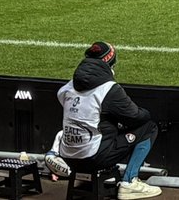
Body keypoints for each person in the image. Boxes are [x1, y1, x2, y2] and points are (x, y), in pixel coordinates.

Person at [44, 41, 162, 198]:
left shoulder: (66, 88)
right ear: (109, 63)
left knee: (67, 129)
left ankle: (54, 154)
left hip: (69, 157)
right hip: (95, 157)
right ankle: (129, 182)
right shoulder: (108, 89)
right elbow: (135, 116)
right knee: (149, 127)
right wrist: (146, 113)